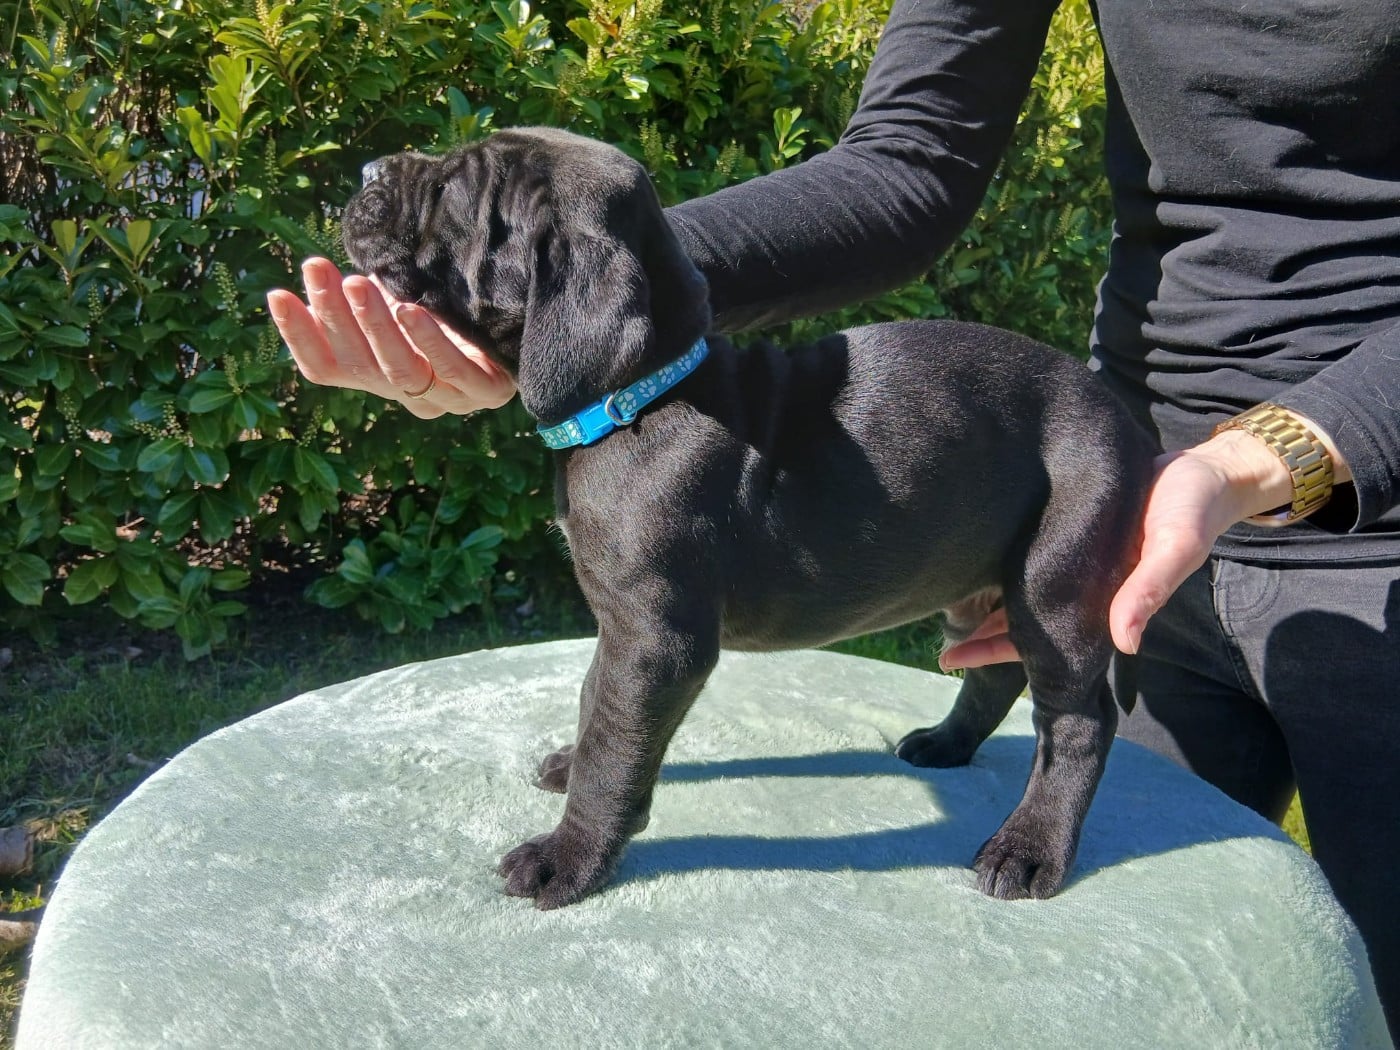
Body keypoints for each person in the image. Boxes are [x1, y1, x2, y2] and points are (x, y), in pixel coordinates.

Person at [268, 0, 1399, 1031]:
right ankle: (987, 730)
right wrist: (597, 290)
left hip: (1352, 525)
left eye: (467, 201)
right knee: (1175, 976)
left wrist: (1278, 452)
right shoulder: (627, 407)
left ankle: (1049, 779)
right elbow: (906, 160)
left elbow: (657, 643)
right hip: (1146, 455)